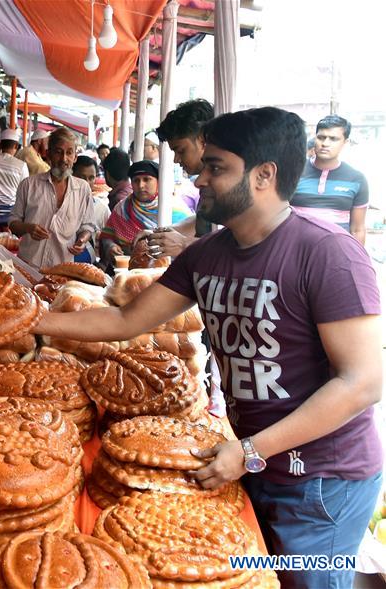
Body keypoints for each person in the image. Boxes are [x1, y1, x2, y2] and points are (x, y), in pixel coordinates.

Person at [37, 107, 382, 589]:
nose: (199, 178)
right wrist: (31, 320)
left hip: (320, 481)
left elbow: (363, 382)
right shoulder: (206, 256)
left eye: (216, 167)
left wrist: (251, 451)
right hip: (250, 461)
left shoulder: (327, 253)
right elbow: (125, 319)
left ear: (265, 175)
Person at [8, 127, 94, 269]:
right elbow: (13, 222)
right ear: (48, 154)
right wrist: (28, 228)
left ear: (75, 157)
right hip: (29, 266)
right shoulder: (29, 185)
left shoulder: (83, 189)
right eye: (58, 152)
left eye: (69, 153)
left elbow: (87, 226)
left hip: (63, 268)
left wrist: (82, 240)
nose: (64, 159)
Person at [142, 98, 217, 258]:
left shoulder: (229, 185)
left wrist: (184, 244)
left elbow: (233, 242)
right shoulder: (207, 186)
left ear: (203, 141)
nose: (176, 159)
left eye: (181, 150)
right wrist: (161, 234)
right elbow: (203, 222)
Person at [291, 115, 369, 244]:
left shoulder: (357, 179)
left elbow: (357, 229)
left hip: (336, 255)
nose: (325, 143)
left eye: (333, 139)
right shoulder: (293, 172)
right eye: (321, 137)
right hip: (295, 252)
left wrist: (357, 262)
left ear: (345, 142)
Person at [99, 160, 160, 262]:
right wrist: (111, 246)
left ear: (158, 181)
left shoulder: (171, 208)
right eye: (136, 180)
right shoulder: (121, 209)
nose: (141, 185)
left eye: (147, 179)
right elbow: (107, 236)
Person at [73, 155, 111, 262]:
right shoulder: (61, 204)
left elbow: (108, 239)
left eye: (91, 178)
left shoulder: (101, 208)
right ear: (72, 175)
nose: (86, 183)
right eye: (82, 177)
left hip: (87, 265)